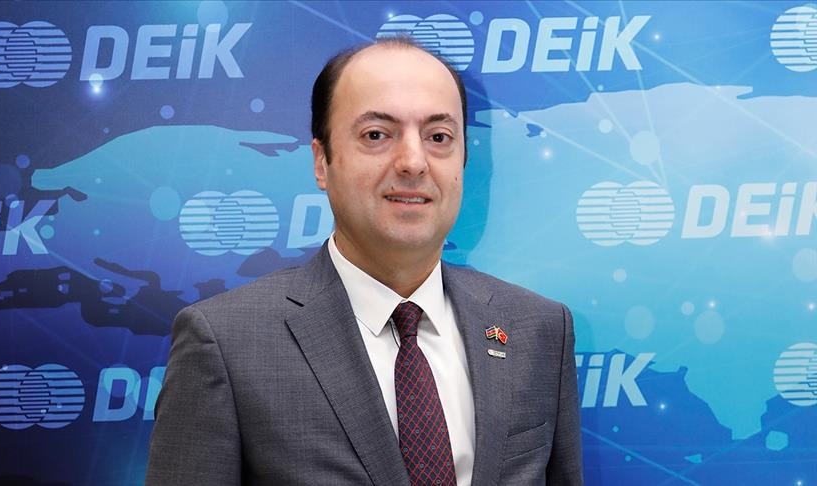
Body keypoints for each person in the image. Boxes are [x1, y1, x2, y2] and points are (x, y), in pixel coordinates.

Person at [145, 37, 583, 486]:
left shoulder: (539, 330)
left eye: (438, 137)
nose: (413, 162)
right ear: (322, 162)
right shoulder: (226, 343)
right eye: (376, 135)